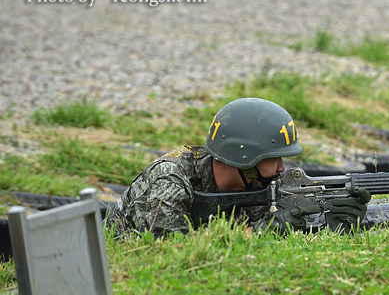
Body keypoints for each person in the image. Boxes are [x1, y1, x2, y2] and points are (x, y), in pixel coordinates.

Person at [105, 98, 370, 236]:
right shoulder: (168, 183)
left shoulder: (253, 184)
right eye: (274, 159)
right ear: (244, 158)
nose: (281, 168)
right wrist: (266, 231)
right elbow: (170, 254)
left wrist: (328, 219)